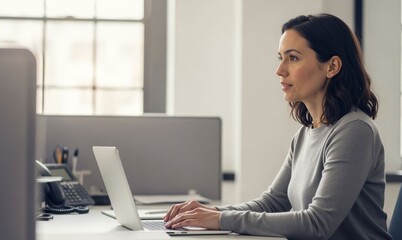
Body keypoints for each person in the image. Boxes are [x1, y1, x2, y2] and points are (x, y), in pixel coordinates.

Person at [164, 13, 392, 239]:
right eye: (280, 57)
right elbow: (273, 202)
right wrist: (208, 214)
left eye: (293, 58)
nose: (280, 70)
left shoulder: (355, 131)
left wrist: (221, 220)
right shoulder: (305, 134)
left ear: (332, 66)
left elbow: (317, 223)